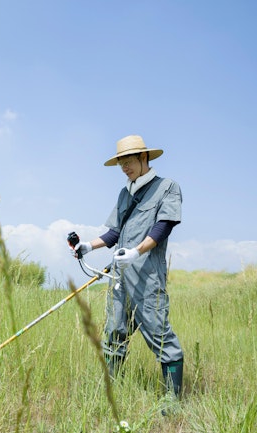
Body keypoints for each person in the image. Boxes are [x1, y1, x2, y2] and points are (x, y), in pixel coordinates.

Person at [71, 134, 184, 405]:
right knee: (115, 331)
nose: (125, 168)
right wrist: (87, 246)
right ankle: (114, 388)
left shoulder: (167, 187)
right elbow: (114, 233)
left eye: (129, 161)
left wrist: (136, 251)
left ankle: (172, 398)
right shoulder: (125, 193)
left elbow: (164, 226)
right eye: (121, 163)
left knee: (158, 333)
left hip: (147, 276)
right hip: (119, 277)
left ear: (144, 157)